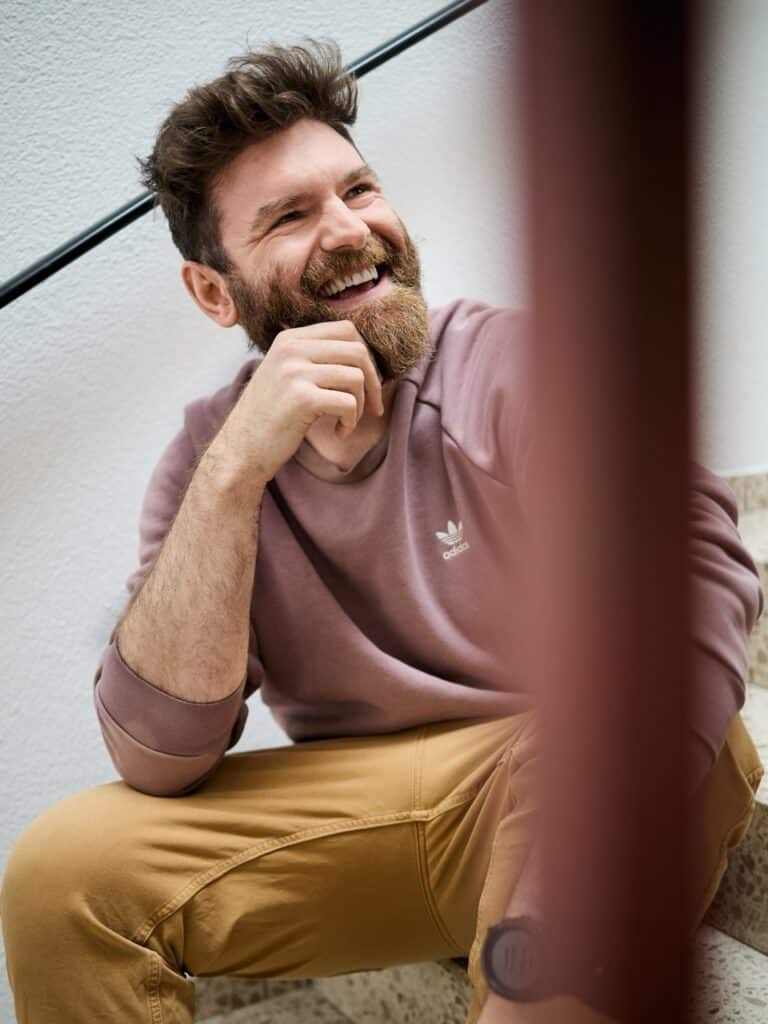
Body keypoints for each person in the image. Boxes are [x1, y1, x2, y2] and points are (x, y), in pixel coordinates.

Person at [1, 39, 764, 1024]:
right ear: (214, 291)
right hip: (378, 818)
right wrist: (234, 476)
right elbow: (160, 758)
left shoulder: (514, 363)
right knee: (63, 871)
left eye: (358, 190)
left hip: (575, 794)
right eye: (290, 215)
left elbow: (698, 572)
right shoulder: (211, 460)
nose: (352, 230)